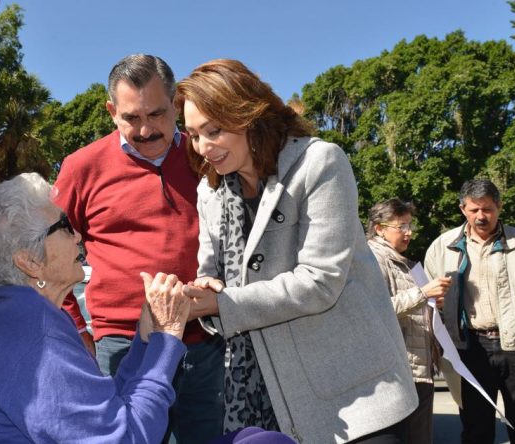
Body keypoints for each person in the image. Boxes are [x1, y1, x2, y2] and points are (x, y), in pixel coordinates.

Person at [178, 59, 417, 443]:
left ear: (249, 115)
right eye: (192, 135)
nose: (203, 147)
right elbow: (212, 271)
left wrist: (218, 305)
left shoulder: (320, 163)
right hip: (259, 400)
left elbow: (320, 282)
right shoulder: (209, 191)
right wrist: (204, 289)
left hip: (356, 398)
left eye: (214, 130)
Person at [52, 54, 225, 442]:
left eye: (157, 115)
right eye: (132, 118)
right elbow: (46, 255)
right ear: (111, 111)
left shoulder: (207, 157)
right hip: (122, 346)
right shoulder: (82, 167)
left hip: (204, 342)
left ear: (176, 104)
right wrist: (76, 329)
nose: (146, 130)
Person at [0, 172, 193, 443]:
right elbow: (125, 439)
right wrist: (167, 339)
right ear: (30, 261)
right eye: (63, 226)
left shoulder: (22, 320)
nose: (77, 235)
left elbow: (107, 410)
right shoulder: (35, 337)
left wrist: (146, 341)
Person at [424, 178, 515, 444]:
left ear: (499, 207)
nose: (481, 216)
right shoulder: (442, 247)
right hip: (469, 351)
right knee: (475, 431)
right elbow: (428, 297)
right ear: (462, 209)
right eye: (474, 209)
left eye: (488, 209)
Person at [365, 198, 451, 444]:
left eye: (410, 225)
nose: (409, 232)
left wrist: (432, 306)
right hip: (395, 375)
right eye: (401, 226)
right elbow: (375, 312)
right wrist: (423, 294)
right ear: (380, 228)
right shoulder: (371, 260)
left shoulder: (406, 264)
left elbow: (409, 307)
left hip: (418, 371)